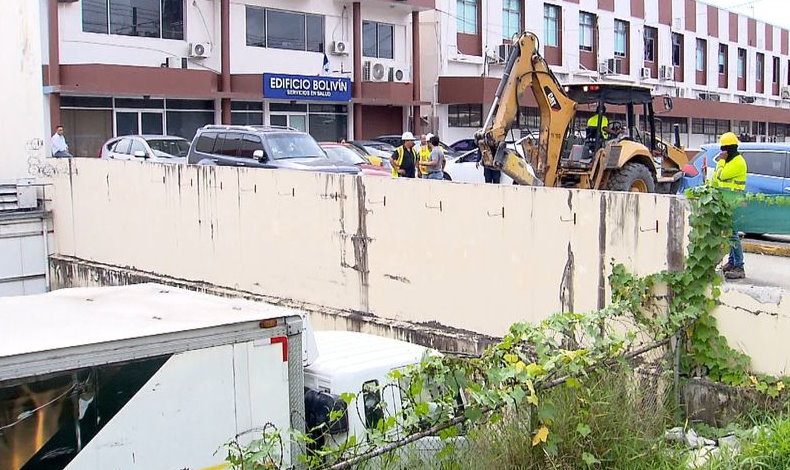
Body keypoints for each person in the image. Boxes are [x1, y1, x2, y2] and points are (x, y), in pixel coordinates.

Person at [709, 132, 748, 280]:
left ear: (729, 149)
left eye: (724, 149)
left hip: (734, 202)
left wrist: (720, 162)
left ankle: (739, 265)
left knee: (733, 234)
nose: (722, 152)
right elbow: (715, 179)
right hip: (726, 202)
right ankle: (732, 262)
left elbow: (721, 175)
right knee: (730, 233)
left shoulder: (738, 162)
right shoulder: (729, 161)